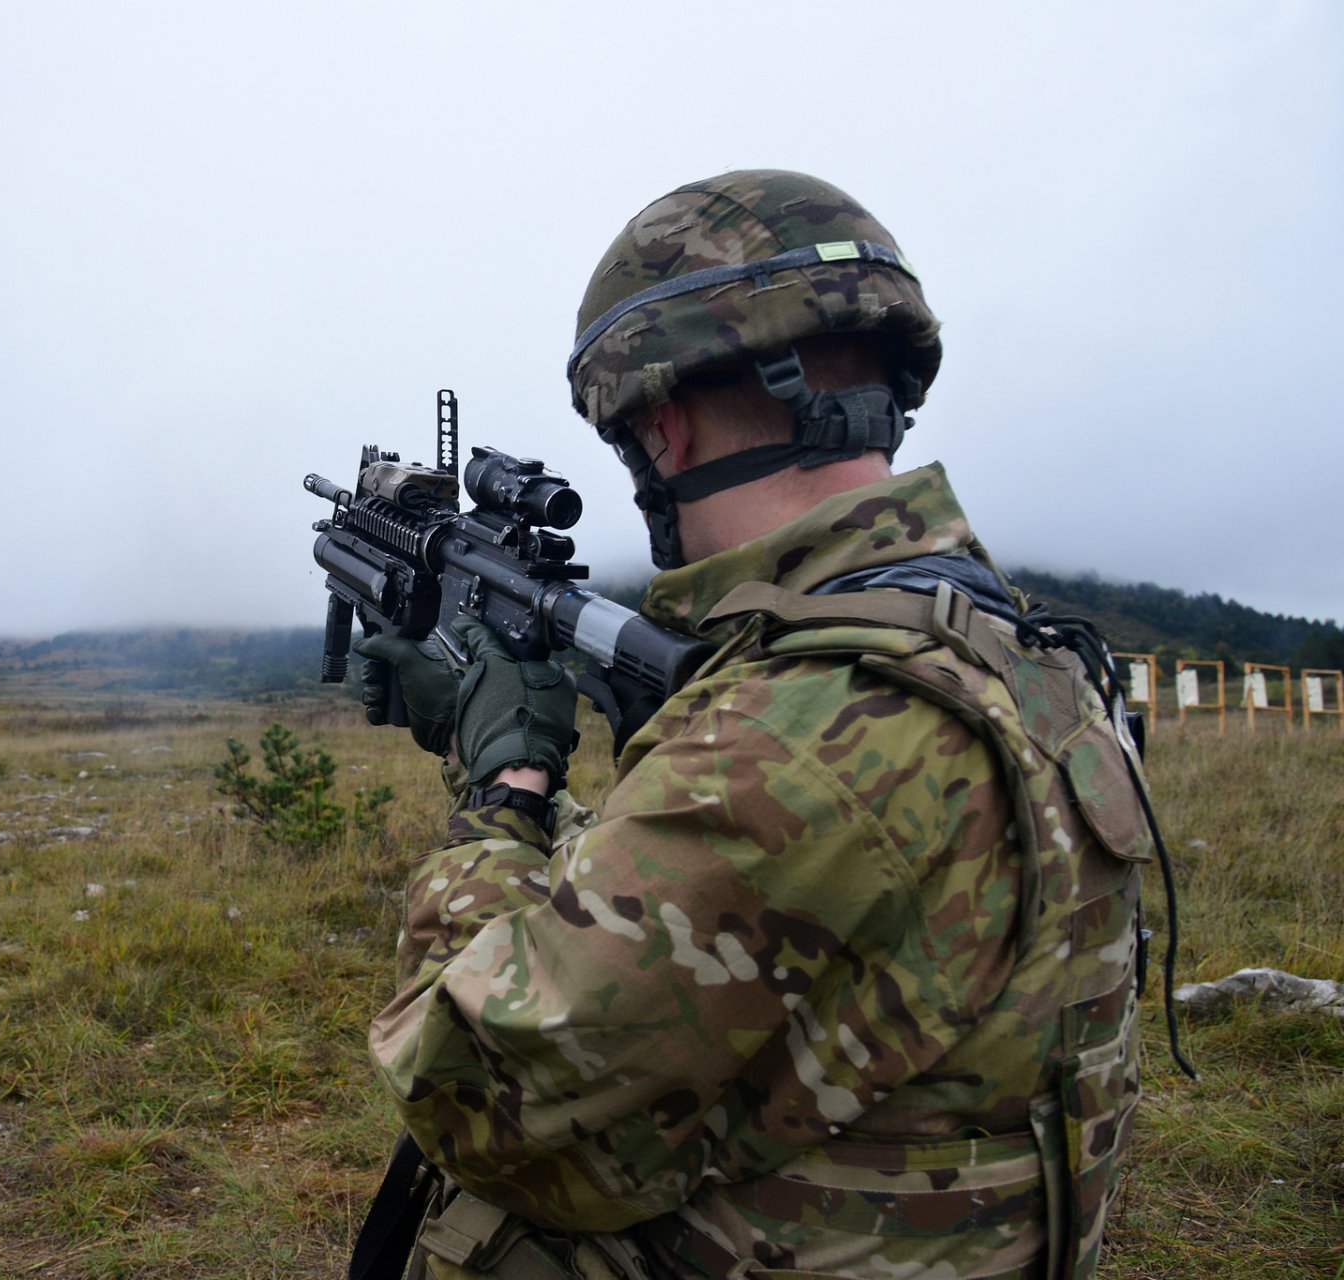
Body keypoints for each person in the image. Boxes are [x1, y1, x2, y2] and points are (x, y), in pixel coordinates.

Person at [352, 171, 1152, 1280]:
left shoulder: (809, 730)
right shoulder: (1020, 654)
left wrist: (507, 792)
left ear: (660, 427)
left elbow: (472, 1092)